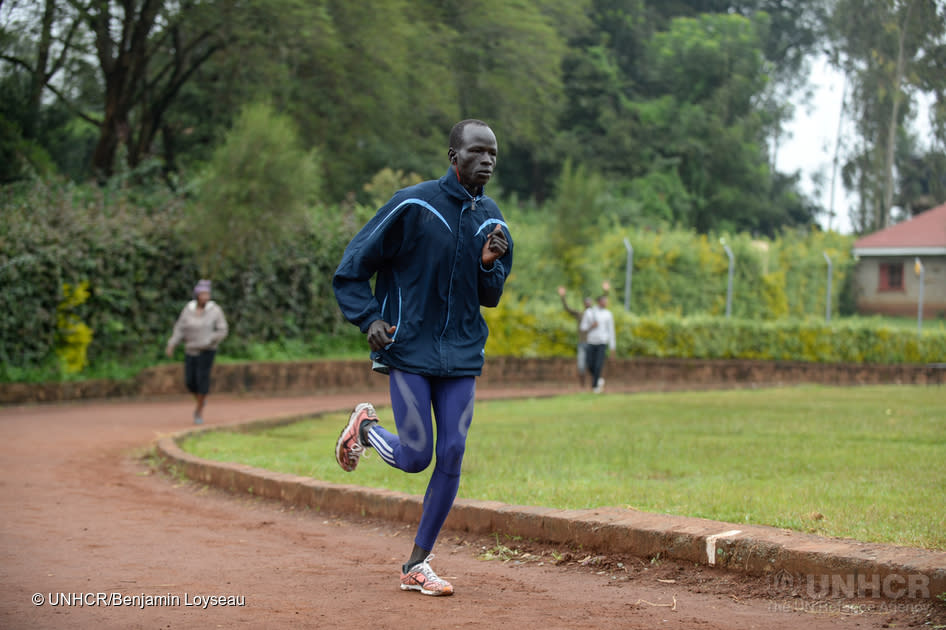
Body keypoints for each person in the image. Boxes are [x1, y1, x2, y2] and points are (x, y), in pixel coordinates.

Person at [332, 119, 512, 597]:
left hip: (462, 352)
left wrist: (488, 265)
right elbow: (352, 269)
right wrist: (368, 317)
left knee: (453, 452)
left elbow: (489, 295)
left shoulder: (492, 220)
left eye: (493, 153)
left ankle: (418, 562)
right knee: (416, 456)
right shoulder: (412, 204)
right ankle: (366, 428)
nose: (488, 161)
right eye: (477, 152)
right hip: (408, 347)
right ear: (453, 156)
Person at [165, 279, 228, 424]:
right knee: (190, 381)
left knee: (202, 380)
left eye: (207, 294)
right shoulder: (188, 310)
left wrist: (210, 340)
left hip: (207, 351)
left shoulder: (215, 310)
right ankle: (200, 399)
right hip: (191, 349)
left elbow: (222, 329)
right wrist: (172, 344)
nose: (205, 297)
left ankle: (199, 411)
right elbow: (180, 328)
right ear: (197, 295)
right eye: (202, 294)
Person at [580, 293, 615, 393]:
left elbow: (611, 331)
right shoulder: (590, 312)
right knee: (590, 364)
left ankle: (595, 387)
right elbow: (583, 328)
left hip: (602, 343)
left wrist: (612, 347)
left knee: (598, 365)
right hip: (591, 342)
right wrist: (592, 326)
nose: (606, 303)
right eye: (604, 301)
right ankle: (598, 380)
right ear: (599, 302)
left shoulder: (608, 314)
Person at [558, 287, 592, 386]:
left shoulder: (595, 314)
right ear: (584, 304)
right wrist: (563, 297)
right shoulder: (580, 314)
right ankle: (583, 385)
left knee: (592, 364)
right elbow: (567, 309)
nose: (588, 304)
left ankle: (593, 384)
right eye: (587, 302)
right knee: (581, 365)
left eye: (589, 302)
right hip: (582, 342)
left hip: (592, 342)